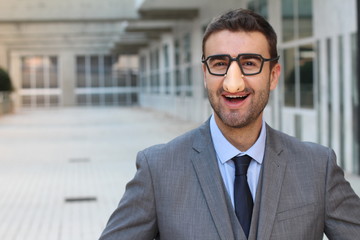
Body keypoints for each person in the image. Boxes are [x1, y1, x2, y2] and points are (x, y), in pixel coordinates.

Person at [99, 8, 360, 240]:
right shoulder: (157, 170)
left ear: (273, 75)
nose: (232, 83)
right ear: (205, 74)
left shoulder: (317, 167)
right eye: (220, 64)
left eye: (249, 63)